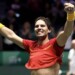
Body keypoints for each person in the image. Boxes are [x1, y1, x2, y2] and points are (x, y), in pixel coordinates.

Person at [0, 2, 75, 75]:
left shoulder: (55, 43)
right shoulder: (30, 45)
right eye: (36, 26)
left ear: (49, 30)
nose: (39, 28)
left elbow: (67, 32)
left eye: (42, 26)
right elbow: (11, 35)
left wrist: (71, 14)